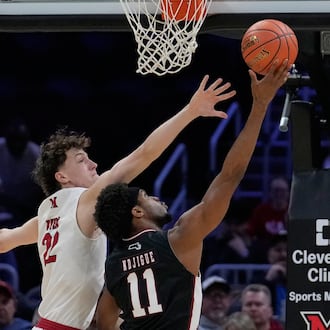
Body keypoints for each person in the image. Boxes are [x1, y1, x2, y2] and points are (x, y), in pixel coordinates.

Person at [0, 74, 236, 330]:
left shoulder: (46, 214)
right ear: (62, 176)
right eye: (81, 160)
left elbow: (5, 239)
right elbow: (144, 154)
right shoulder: (85, 200)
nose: (93, 164)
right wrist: (190, 112)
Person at [93, 60, 290, 329]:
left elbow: (104, 322)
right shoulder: (180, 237)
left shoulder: (114, 264)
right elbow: (230, 176)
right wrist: (260, 105)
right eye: (147, 197)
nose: (157, 199)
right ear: (136, 212)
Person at [247, 176, 290, 251]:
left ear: (288, 193)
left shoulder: (294, 211)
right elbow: (251, 234)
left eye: (282, 191)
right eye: (276, 190)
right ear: (270, 192)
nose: (279, 194)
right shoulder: (260, 210)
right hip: (264, 250)